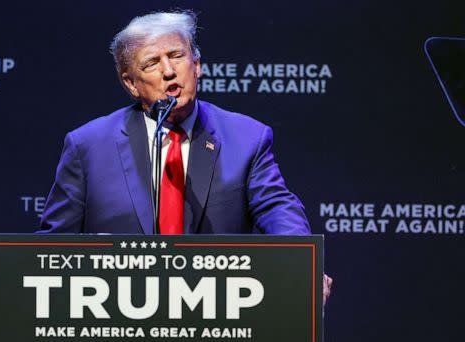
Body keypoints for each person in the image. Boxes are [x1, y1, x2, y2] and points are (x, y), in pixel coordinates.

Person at [39, 10, 332, 301]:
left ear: (197, 65)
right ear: (130, 83)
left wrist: (303, 264)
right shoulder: (88, 145)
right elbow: (53, 248)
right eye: (152, 63)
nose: (168, 71)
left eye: (177, 56)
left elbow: (277, 208)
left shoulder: (246, 138)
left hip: (217, 308)